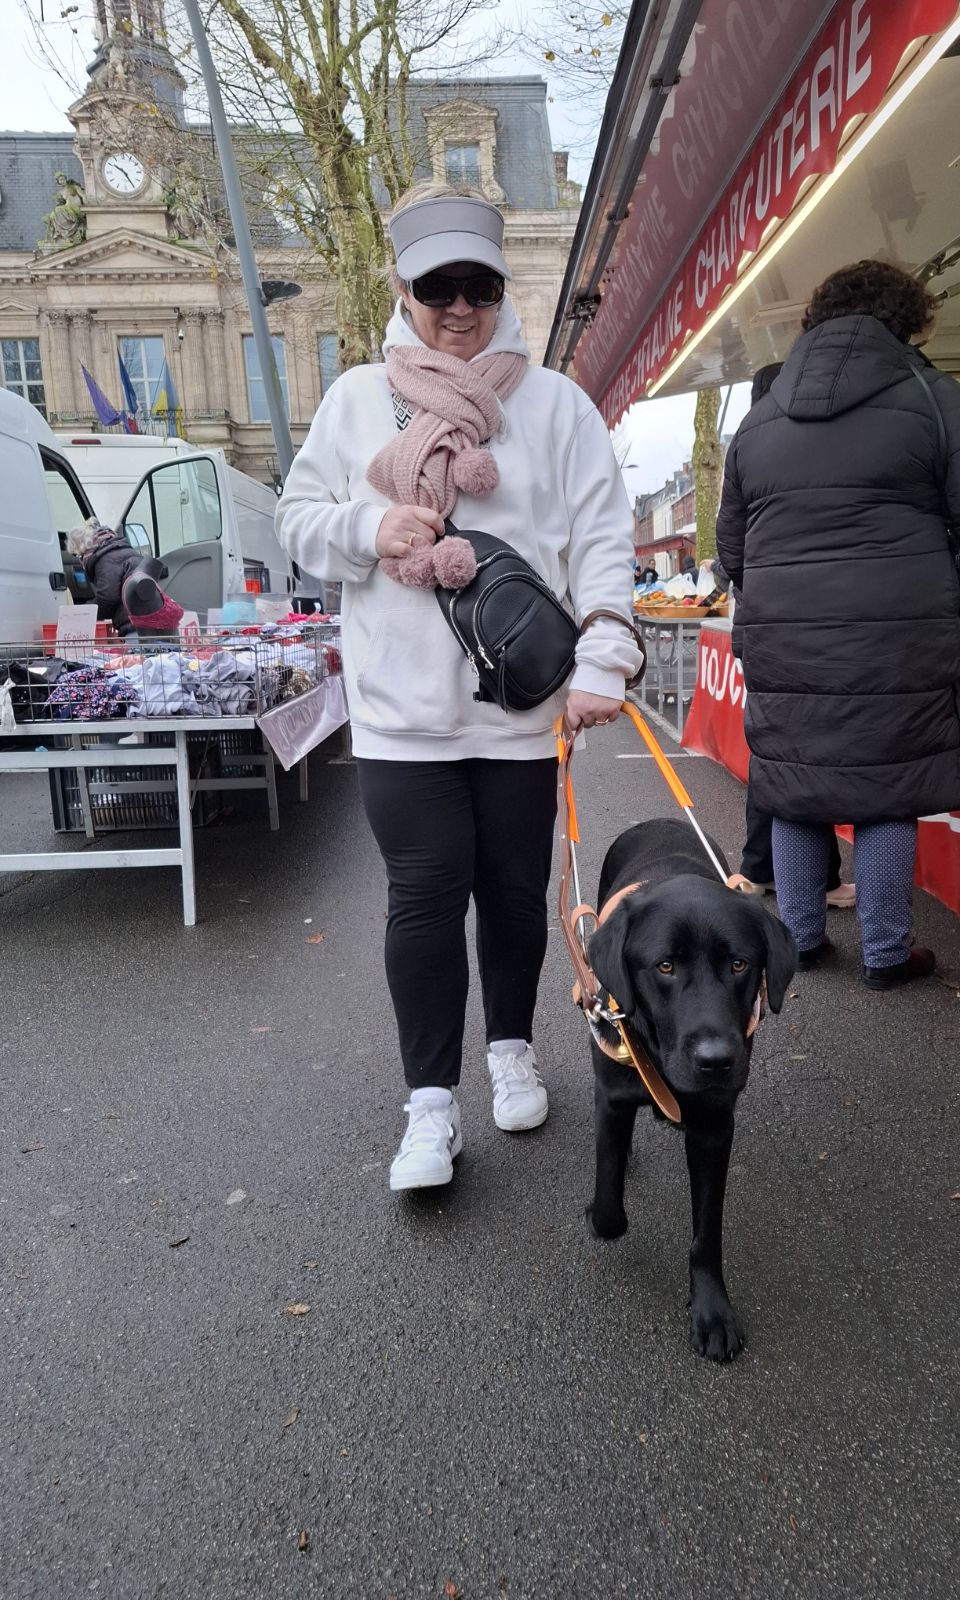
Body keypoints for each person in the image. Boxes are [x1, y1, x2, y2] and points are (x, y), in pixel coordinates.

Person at [277, 184, 640, 1189]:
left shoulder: (556, 404)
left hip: (519, 712)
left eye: (479, 285)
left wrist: (602, 660)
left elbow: (606, 539)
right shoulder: (356, 399)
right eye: (438, 285)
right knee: (426, 901)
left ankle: (512, 1049)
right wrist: (366, 527)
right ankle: (429, 1107)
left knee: (517, 898)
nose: (460, 307)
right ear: (401, 285)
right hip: (402, 718)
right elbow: (297, 521)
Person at [717, 262, 960, 988]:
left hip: (784, 635)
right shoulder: (929, 393)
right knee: (889, 788)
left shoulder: (760, 417)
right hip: (896, 632)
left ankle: (800, 941)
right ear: (908, 320)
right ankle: (886, 954)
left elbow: (732, 550)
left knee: (793, 784)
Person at [723, 366, 856, 910]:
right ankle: (802, 882)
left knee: (779, 755)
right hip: (817, 625)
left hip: (767, 626)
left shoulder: (749, 446)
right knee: (808, 759)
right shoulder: (824, 444)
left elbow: (730, 547)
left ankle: (772, 873)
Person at [67, 520, 143, 631]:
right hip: (151, 615)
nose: (80, 560)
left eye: (77, 555)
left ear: (83, 548)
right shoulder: (121, 549)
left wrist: (82, 613)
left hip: (133, 622)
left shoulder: (105, 559)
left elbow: (108, 598)